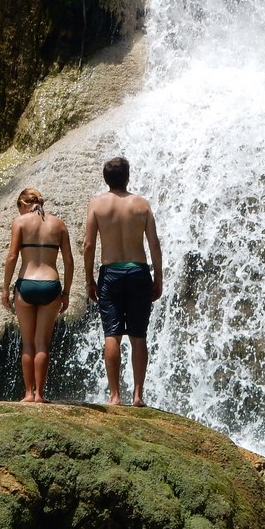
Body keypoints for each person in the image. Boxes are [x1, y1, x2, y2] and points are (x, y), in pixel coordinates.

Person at [83, 156, 163, 407]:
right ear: (128, 177)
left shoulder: (96, 205)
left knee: (112, 335)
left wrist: (88, 279)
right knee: (138, 336)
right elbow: (154, 244)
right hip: (138, 271)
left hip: (111, 272)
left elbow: (88, 245)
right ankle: (138, 396)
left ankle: (115, 396)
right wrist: (158, 276)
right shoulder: (141, 204)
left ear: (106, 179)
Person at [2, 188, 74, 403]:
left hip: (27, 283)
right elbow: (69, 261)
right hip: (51, 284)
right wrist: (66, 292)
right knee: (42, 343)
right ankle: (41, 395)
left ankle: (28, 394)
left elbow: (13, 256)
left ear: (23, 204)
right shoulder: (59, 224)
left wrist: (5, 287)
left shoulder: (20, 222)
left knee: (28, 344)